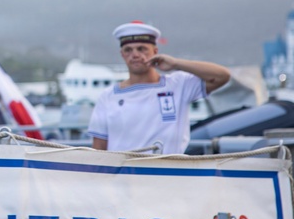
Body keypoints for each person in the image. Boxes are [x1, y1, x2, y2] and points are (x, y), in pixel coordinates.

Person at [88, 21, 230, 154]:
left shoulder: (178, 84)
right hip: (122, 176)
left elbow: (222, 76)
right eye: (128, 50)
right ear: (122, 55)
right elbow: (99, 148)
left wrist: (176, 63)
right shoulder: (108, 96)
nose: (135, 55)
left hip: (166, 174)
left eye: (142, 49)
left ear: (155, 51)